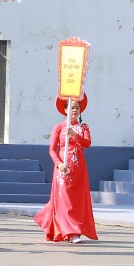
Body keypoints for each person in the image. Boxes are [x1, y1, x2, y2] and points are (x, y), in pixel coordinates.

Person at [33, 94, 97, 244]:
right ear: (65, 110)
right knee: (65, 200)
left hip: (79, 169)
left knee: (76, 201)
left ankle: (68, 228)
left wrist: (75, 135)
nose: (75, 110)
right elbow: (52, 149)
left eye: (77, 107)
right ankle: (72, 232)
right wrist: (59, 163)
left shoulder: (83, 127)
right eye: (72, 107)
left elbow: (87, 143)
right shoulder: (59, 127)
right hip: (63, 169)